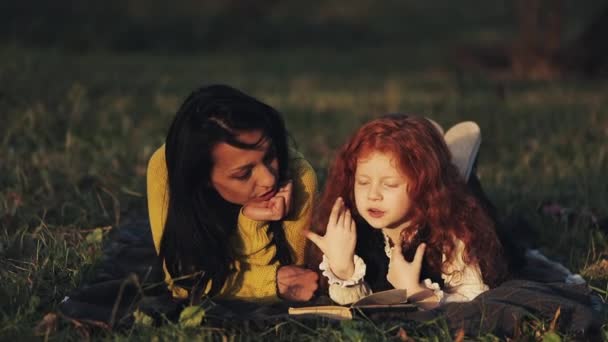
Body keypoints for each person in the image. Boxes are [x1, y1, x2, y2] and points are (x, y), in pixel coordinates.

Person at [305, 114, 508, 309]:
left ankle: (460, 168)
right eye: (363, 182)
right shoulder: (352, 230)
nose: (373, 195)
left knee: (469, 195)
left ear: (423, 187)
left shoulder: (450, 230)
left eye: (390, 184)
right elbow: (361, 305)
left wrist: (416, 292)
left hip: (451, 204)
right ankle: (444, 155)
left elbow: (474, 297)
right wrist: (344, 270)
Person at [146, 84, 318, 303]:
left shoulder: (299, 176)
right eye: (244, 173)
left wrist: (253, 224)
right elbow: (184, 280)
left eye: (269, 157)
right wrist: (270, 284)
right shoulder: (165, 170)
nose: (269, 179)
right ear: (203, 179)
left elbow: (296, 278)